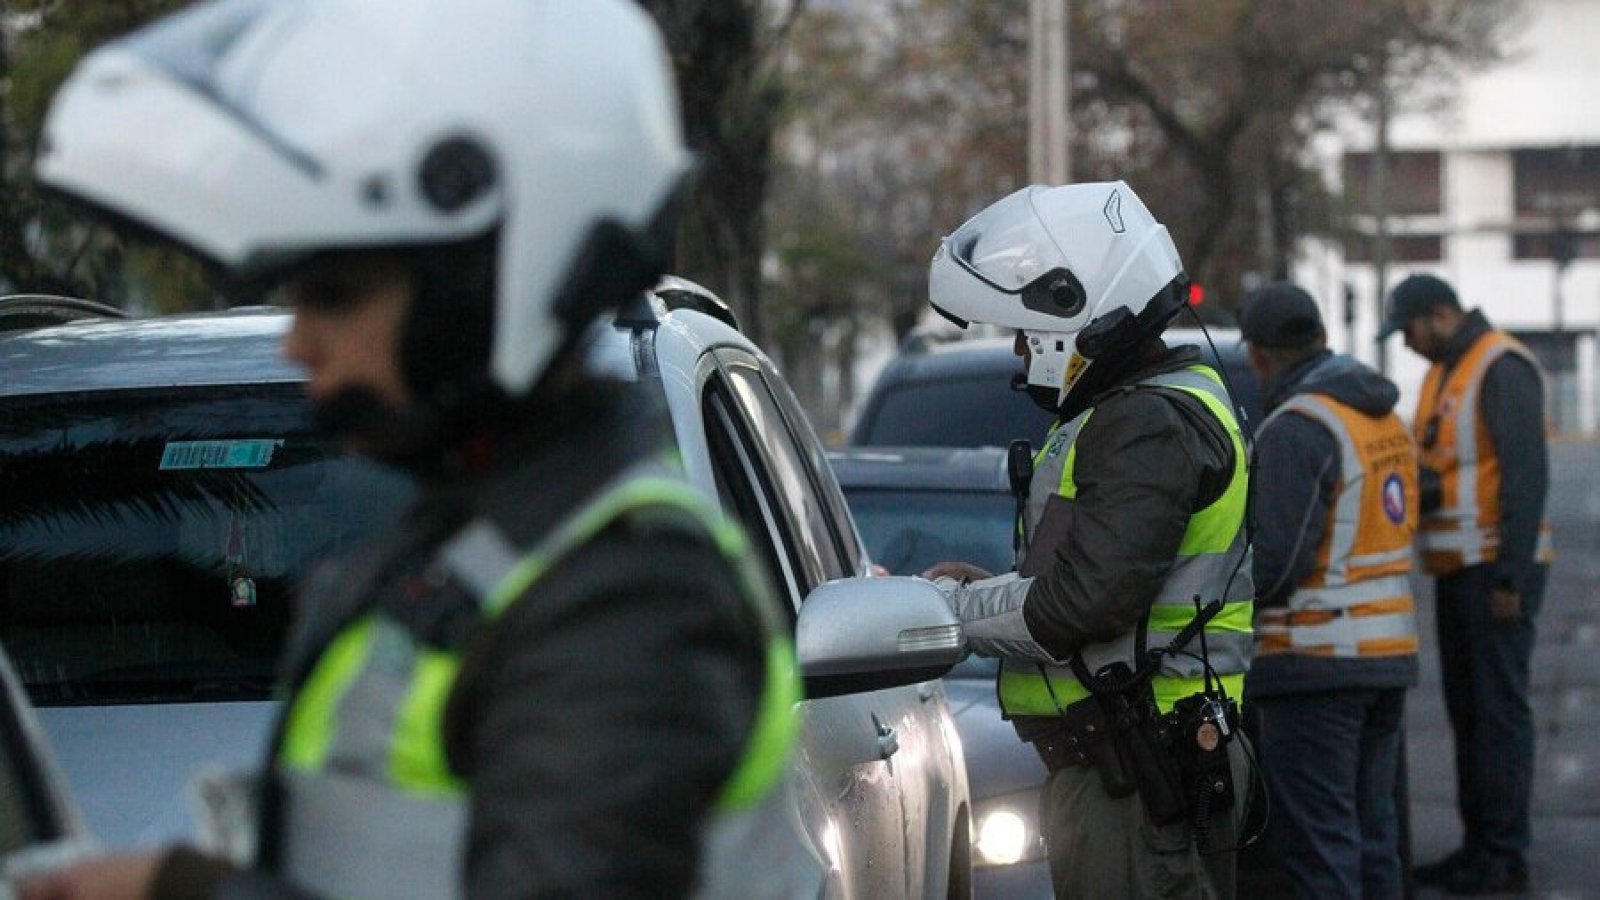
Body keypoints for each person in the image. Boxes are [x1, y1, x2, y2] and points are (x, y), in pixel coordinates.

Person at [22, 1, 804, 898]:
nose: (297, 341)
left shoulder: (627, 600)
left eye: (336, 294)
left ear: (486, 285)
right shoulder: (478, 544)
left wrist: (187, 893)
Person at [921, 182, 1255, 899]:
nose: (1018, 350)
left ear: (1078, 312)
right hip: (1136, 761)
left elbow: (1084, 604)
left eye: (1023, 331)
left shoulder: (1144, 424)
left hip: (1140, 772)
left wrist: (950, 611)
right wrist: (985, 590)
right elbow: (1106, 574)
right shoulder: (1149, 408)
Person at [1238, 282, 1420, 898]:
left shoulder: (1297, 427)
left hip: (1314, 663)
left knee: (1321, 849)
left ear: (1257, 355)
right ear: (1319, 336)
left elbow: (1277, 562)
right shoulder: (1381, 417)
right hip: (1386, 658)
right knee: (1375, 840)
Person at [1379, 273, 1553, 895]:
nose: (1408, 344)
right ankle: (1479, 847)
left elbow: (1526, 476)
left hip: (1495, 572)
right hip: (1458, 571)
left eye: (1410, 329)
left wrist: (1510, 574)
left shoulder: (1499, 365)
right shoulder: (1442, 373)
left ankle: (1503, 857)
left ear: (1443, 314)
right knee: (1470, 715)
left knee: (1498, 717)